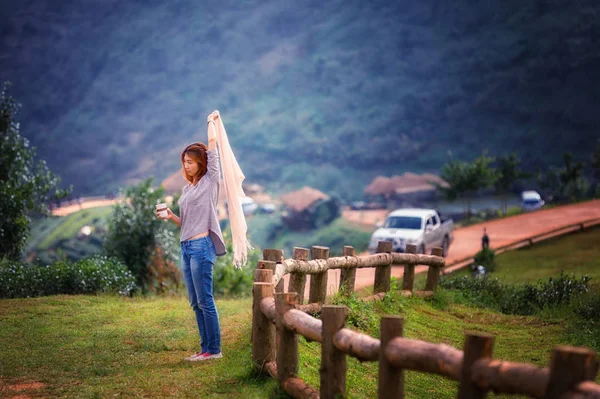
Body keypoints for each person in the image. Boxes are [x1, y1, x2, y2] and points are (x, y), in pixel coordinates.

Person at [156, 112, 226, 362]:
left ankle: (214, 350)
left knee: (205, 300)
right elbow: (188, 222)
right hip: (186, 247)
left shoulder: (209, 181)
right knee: (195, 302)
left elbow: (214, 154)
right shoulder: (189, 188)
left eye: (191, 161)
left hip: (201, 247)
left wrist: (211, 124)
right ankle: (205, 348)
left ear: (201, 163)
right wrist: (172, 216)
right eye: (184, 161)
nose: (186, 165)